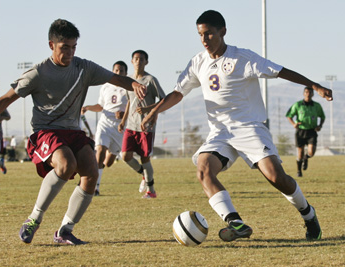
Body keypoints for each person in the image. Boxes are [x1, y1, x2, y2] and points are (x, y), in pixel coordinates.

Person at [142, 10, 332, 241]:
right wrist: (154, 110)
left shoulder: (243, 58)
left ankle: (308, 214)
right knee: (203, 169)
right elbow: (177, 93)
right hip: (220, 133)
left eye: (209, 34)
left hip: (249, 128)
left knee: (276, 176)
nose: (204, 40)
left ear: (223, 32)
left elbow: (281, 71)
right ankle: (235, 222)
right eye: (200, 35)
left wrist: (315, 85)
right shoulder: (198, 62)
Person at [0, 19, 146, 245]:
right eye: (64, 47)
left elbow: (116, 78)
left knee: (91, 172)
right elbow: (6, 99)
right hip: (45, 132)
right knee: (66, 164)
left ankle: (65, 231)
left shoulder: (84, 68)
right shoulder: (38, 73)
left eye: (73, 47)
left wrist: (133, 84)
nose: (69, 52)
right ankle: (33, 219)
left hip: (72, 131)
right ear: (51, 45)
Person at [118, 50, 165, 199]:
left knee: (145, 158)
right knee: (125, 156)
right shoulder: (129, 81)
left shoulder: (151, 80)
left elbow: (163, 100)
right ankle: (143, 175)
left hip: (146, 126)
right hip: (131, 126)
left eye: (141, 59)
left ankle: (151, 191)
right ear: (132, 61)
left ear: (146, 62)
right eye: (136, 59)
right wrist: (123, 121)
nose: (138, 61)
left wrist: (148, 109)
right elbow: (130, 102)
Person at [81, 60, 129, 196]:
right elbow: (101, 106)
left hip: (120, 127)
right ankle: (95, 187)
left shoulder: (129, 87)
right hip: (105, 123)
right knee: (100, 152)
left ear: (126, 73)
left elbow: (134, 109)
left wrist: (123, 114)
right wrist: (88, 108)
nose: (118, 73)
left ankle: (98, 173)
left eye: (121, 71)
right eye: (116, 70)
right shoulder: (106, 86)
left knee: (108, 162)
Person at [286, 87, 325, 177]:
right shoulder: (298, 104)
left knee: (311, 152)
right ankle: (299, 171)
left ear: (313, 94)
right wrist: (293, 124)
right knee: (300, 152)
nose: (308, 94)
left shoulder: (316, 106)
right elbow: (289, 115)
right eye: (306, 92)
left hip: (312, 131)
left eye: (310, 92)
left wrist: (320, 126)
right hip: (300, 131)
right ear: (304, 93)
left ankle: (306, 157)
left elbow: (322, 116)